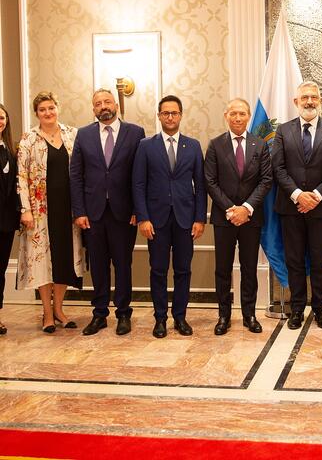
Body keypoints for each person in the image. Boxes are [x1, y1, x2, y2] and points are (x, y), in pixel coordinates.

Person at [271, 81, 322, 330]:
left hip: (321, 208)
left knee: (318, 260)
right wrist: (297, 195)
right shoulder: (283, 131)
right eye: (305, 97)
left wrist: (314, 195)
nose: (309, 101)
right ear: (296, 102)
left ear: (320, 100)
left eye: (314, 97)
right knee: (294, 260)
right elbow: (278, 168)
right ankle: (297, 309)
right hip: (290, 207)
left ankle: (320, 309)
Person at [70, 89, 145, 336]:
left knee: (123, 264)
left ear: (116, 105)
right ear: (93, 109)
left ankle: (123, 313)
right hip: (93, 214)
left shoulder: (135, 133)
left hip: (124, 213)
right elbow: (76, 176)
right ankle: (99, 314)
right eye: (98, 103)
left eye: (107, 102)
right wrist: (79, 211)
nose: (103, 106)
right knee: (98, 266)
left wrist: (138, 209)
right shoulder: (83, 135)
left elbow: (140, 175)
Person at [132, 95, 207, 338]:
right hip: (156, 220)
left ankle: (180, 317)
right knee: (158, 270)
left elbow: (201, 185)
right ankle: (160, 318)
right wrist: (143, 218)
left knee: (183, 270)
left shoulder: (193, 146)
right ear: (159, 116)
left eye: (174, 113)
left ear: (181, 115)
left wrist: (200, 219)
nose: (170, 117)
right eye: (166, 113)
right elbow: (138, 184)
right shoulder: (146, 146)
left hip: (186, 219)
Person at [204, 98, 272, 335]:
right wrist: (231, 209)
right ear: (226, 116)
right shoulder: (215, 145)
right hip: (224, 218)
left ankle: (249, 315)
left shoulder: (260, 145)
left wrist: (247, 208)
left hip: (251, 218)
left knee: (249, 268)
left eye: (242, 113)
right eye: (233, 113)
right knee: (222, 269)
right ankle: (223, 315)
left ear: (248, 116)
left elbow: (266, 180)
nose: (237, 118)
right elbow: (210, 181)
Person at [17, 91, 83, 333]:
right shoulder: (28, 139)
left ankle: (59, 310)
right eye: (42, 109)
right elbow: (21, 177)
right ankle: (46, 313)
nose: (48, 113)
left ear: (58, 108)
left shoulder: (72, 135)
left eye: (51, 108)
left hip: (68, 209)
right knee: (42, 262)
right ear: (37, 113)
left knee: (64, 259)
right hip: (39, 210)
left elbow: (82, 171)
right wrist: (25, 209)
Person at [0, 104, 20, 335]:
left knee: (0, 269)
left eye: (2, 117)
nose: (0, 121)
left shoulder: (11, 150)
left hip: (5, 222)